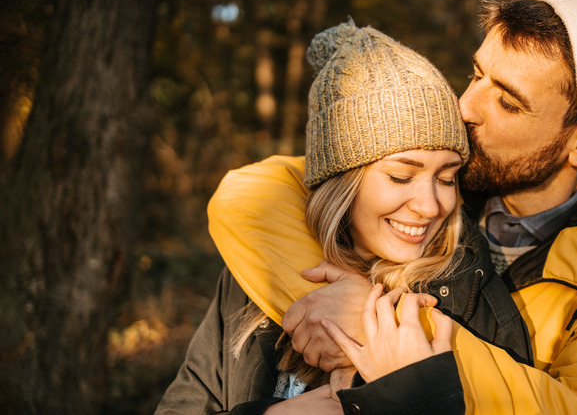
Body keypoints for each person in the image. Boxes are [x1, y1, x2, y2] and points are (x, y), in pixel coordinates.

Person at [204, 0, 577, 414]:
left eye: (507, 101)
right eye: (475, 75)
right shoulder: (441, 179)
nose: (465, 107)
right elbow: (254, 196)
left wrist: (379, 322)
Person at [156, 20, 531, 414]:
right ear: (340, 181)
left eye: (447, 178)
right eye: (401, 176)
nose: (431, 205)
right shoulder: (258, 270)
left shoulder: (473, 302)